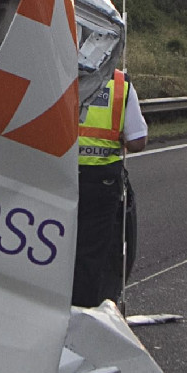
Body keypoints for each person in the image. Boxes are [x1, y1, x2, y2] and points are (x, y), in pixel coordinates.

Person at [73, 68, 146, 307]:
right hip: (101, 183)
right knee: (92, 255)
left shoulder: (54, 69)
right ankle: (83, 314)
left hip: (59, 177)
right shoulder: (119, 83)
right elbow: (137, 140)